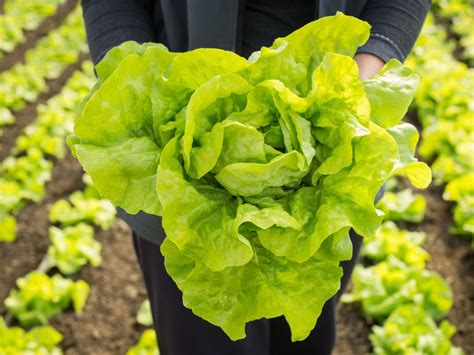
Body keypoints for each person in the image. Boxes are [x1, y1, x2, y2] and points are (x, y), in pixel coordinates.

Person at [81, 1, 430, 354]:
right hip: (183, 202)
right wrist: (141, 92)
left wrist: (367, 64)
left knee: (305, 344)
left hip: (326, 188)